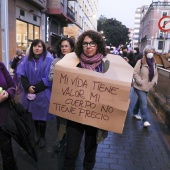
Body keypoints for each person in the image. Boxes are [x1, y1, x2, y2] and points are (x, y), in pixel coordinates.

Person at [62, 30, 109, 170]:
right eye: (85, 43)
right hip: (74, 115)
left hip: (95, 117)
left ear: (98, 45)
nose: (88, 46)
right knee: (70, 153)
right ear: (81, 46)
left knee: (90, 153)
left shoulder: (106, 65)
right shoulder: (73, 63)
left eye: (92, 43)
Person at [17, 39, 54, 148]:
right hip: (28, 93)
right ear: (32, 48)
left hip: (42, 93)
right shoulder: (26, 59)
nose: (37, 48)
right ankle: (35, 135)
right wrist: (27, 86)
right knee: (32, 116)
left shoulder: (49, 59)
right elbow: (22, 73)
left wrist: (35, 88)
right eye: (34, 46)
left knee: (41, 118)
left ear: (43, 48)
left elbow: (49, 77)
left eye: (39, 46)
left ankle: (42, 137)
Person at [49, 37, 75, 153]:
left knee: (72, 123)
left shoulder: (77, 61)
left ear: (72, 48)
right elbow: (50, 77)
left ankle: (71, 142)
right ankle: (61, 141)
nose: (64, 48)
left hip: (75, 97)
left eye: (66, 46)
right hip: (60, 97)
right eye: (62, 46)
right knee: (60, 122)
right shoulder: (56, 61)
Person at [132, 45, 158, 127]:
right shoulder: (141, 62)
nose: (151, 53)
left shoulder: (154, 62)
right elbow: (135, 72)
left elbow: (156, 74)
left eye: (152, 52)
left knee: (140, 101)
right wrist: (140, 81)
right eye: (149, 52)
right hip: (139, 86)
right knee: (144, 102)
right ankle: (145, 120)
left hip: (148, 86)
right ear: (145, 52)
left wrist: (153, 82)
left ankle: (134, 112)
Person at [0, 62, 18, 170]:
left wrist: (8, 93)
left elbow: (12, 85)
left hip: (3, 119)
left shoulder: (1, 66)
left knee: (7, 153)